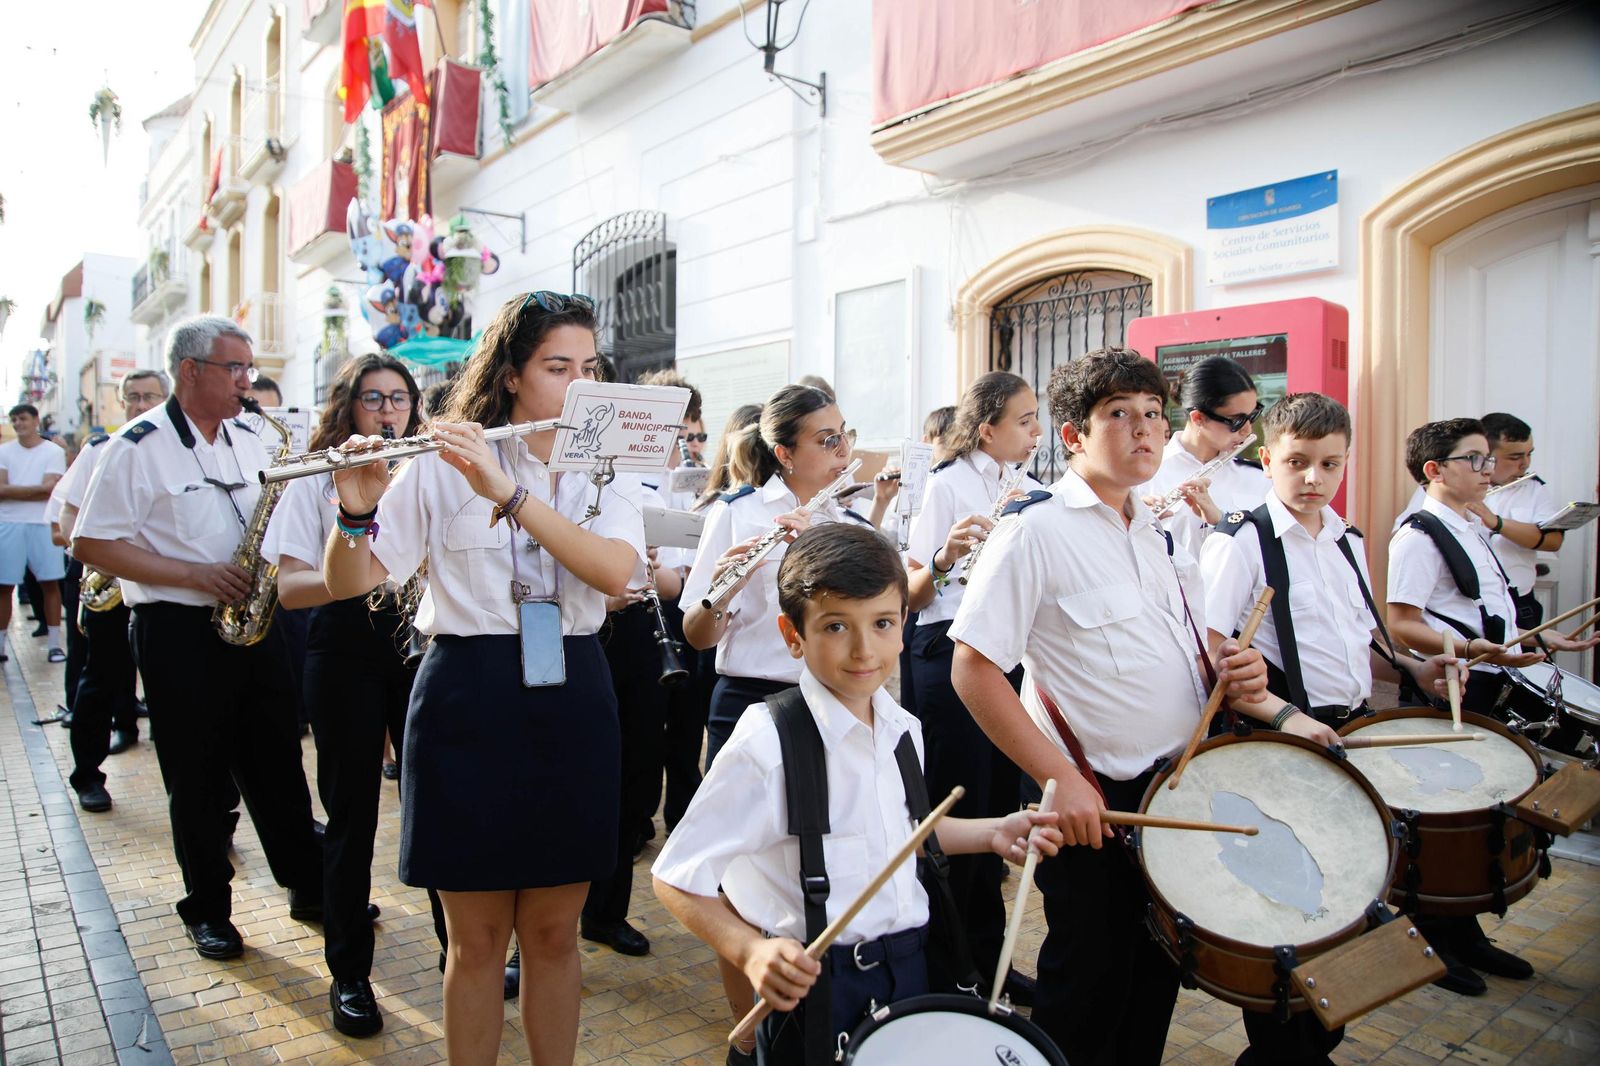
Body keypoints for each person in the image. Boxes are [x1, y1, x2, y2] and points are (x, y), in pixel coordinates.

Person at [320, 291, 644, 1066]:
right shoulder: (443, 462)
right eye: (557, 366)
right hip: (468, 695)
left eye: (589, 367)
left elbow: (612, 572)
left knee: (554, 933)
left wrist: (510, 493)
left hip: (572, 693)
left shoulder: (603, 466)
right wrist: (354, 512)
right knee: (475, 941)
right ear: (509, 377)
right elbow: (348, 580)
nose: (578, 384)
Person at [948, 348, 1271, 1065]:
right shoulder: (1035, 531)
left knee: (1153, 980)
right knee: (1087, 989)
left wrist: (1229, 666)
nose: (1144, 431)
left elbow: (1180, 648)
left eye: (1154, 414)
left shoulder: (1153, 530)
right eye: (1119, 415)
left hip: (1173, 790)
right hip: (1094, 800)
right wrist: (1059, 777)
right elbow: (972, 667)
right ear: (1073, 437)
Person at [653, 523, 1062, 1066]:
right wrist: (750, 951)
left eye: (883, 623)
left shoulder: (900, 728)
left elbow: (899, 834)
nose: (864, 649)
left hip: (911, 971)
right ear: (792, 634)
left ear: (903, 628)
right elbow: (675, 878)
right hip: (818, 987)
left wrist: (993, 832)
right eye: (836, 626)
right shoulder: (766, 742)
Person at [1199, 393, 1460, 1064]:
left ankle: (1312, 1044)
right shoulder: (1241, 540)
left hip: (1346, 737)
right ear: (1267, 460)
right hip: (1282, 742)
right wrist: (1287, 718)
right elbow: (1210, 653)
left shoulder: (1348, 539)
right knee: (1293, 906)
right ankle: (1281, 1052)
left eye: (1330, 464)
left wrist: (1421, 672)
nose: (1314, 479)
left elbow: (1362, 637)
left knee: (1343, 896)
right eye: (1298, 463)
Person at [73, 316, 323, 959]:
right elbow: (92, 542)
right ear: (192, 371)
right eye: (234, 369)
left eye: (247, 368)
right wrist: (195, 574)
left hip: (256, 619)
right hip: (179, 629)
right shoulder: (135, 445)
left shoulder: (252, 436)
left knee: (278, 764)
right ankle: (208, 907)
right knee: (197, 775)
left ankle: (308, 886)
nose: (247, 382)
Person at [679, 384, 876, 1061]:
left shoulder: (855, 522)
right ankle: (752, 1029)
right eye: (827, 439)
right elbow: (698, 633)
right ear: (784, 453)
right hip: (752, 701)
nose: (843, 449)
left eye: (844, 434)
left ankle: (825, 1009)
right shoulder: (735, 514)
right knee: (740, 875)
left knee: (826, 859)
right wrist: (741, 575)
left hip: (839, 704)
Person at [1386, 417, 1598, 996]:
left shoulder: (1471, 526)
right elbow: (1401, 623)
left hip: (1488, 680)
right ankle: (1430, 937)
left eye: (1488, 461)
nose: (1488, 471)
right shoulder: (1419, 535)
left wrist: (1542, 640)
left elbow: (1490, 609)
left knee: (1483, 816)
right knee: (1443, 822)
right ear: (1436, 470)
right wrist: (1470, 649)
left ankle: (1466, 931)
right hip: (1452, 687)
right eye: (1476, 460)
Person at [259, 353, 423, 1036]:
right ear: (348, 406)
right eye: (372, 398)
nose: (388, 411)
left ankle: (463, 950)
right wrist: (357, 567)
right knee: (352, 816)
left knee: (434, 801)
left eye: (399, 398)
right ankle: (349, 975)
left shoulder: (429, 467)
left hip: (419, 650)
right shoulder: (317, 473)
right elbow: (292, 588)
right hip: (343, 648)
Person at [902, 371, 1043, 1002]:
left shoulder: (1037, 491)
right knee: (957, 807)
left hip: (1008, 655)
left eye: (1037, 419)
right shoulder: (948, 483)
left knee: (998, 805)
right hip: (947, 649)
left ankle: (987, 958)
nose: (1036, 432)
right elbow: (915, 589)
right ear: (987, 429)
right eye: (1024, 420)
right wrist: (948, 554)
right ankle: (945, 964)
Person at [48, 371, 169, 810]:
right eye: (132, 397)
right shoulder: (100, 448)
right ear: (122, 403)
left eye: (148, 397)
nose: (140, 405)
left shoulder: (175, 451)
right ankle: (87, 776)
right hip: (111, 587)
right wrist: (104, 563)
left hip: (161, 591)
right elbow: (68, 518)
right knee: (98, 681)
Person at [1141, 354, 1266, 556]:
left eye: (1252, 415)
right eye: (1237, 420)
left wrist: (1222, 521)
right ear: (1198, 418)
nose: (1247, 429)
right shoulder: (1144, 473)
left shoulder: (1258, 478)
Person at [1475, 412, 1566, 629]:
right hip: (1468, 603)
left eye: (1529, 455)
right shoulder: (1450, 485)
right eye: (1515, 457)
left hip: (1519, 602)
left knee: (1528, 661)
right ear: (1485, 455)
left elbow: (1552, 540)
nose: (1525, 464)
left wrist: (1498, 523)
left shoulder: (1534, 488)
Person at [0, 403, 68, 663]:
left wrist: (15, 491)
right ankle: (1, 646)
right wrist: (36, 490)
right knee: (4, 586)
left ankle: (54, 645)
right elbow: (1, 489)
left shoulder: (52, 452)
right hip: (9, 522)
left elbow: (51, 488)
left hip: (42, 522)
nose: (18, 424)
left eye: (23, 418)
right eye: (14, 419)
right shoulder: (4, 452)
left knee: (50, 583)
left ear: (35, 420)